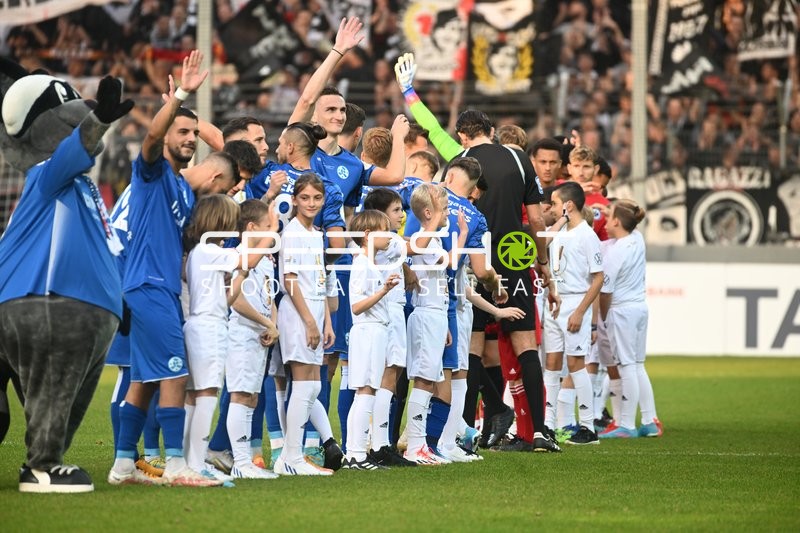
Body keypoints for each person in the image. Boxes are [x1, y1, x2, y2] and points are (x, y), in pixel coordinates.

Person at [109, 50, 238, 487]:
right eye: (181, 131)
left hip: (159, 288)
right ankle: (180, 467)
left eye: (192, 132)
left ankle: (124, 465)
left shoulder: (184, 192)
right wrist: (179, 96)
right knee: (176, 374)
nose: (188, 138)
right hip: (147, 285)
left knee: (144, 380)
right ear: (166, 136)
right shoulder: (152, 173)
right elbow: (150, 138)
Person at [0, 73, 131, 493]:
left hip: (80, 304)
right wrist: (101, 121)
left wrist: (118, 299)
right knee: (53, 386)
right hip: (47, 299)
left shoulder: (81, 189)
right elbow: (77, 147)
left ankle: (46, 458)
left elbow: (102, 244)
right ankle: (41, 467)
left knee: (59, 396)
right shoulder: (49, 172)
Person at [273, 174, 339, 476]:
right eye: (305, 198)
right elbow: (291, 281)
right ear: (295, 200)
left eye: (316, 198)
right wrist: (310, 322)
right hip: (297, 315)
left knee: (313, 384)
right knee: (302, 384)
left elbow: (321, 282)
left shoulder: (317, 233)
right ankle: (291, 456)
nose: (311, 203)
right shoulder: (294, 233)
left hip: (314, 312)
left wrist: (326, 321)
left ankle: (291, 456)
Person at [403, 183, 464, 465]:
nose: (448, 209)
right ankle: (415, 446)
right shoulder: (422, 238)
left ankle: (421, 445)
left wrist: (445, 323)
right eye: (443, 205)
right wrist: (461, 235)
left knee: (429, 381)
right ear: (429, 212)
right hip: (426, 315)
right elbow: (418, 250)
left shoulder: (434, 239)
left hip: (436, 314)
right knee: (424, 380)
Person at [223, 199, 282, 476]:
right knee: (240, 395)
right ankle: (241, 463)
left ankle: (244, 462)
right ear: (251, 228)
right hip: (242, 334)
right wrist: (266, 322)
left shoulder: (267, 262)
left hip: (260, 336)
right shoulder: (238, 257)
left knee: (252, 398)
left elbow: (270, 298)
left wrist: (274, 325)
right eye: (268, 227)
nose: (274, 232)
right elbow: (237, 302)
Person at [543, 181, 604, 446]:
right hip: (555, 303)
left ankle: (588, 427)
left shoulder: (587, 236)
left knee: (577, 364)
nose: (551, 208)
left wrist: (581, 312)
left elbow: (599, 278)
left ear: (568, 205)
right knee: (552, 363)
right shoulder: (561, 231)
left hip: (574, 303)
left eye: (555, 204)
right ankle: (548, 423)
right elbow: (542, 251)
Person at [341, 210, 402, 470]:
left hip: (375, 330)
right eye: (384, 230)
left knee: (365, 392)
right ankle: (356, 453)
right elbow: (356, 306)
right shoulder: (361, 264)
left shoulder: (371, 264)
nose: (389, 235)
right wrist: (384, 290)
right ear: (368, 235)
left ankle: (354, 452)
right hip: (367, 330)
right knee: (366, 392)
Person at [599, 200, 663, 438]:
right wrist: (616, 210)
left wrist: (603, 318)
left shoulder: (616, 253)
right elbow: (630, 220)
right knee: (636, 365)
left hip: (621, 311)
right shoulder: (637, 239)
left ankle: (625, 424)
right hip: (639, 308)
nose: (605, 221)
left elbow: (605, 292)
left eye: (609, 217)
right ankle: (649, 420)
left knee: (626, 366)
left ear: (617, 222)